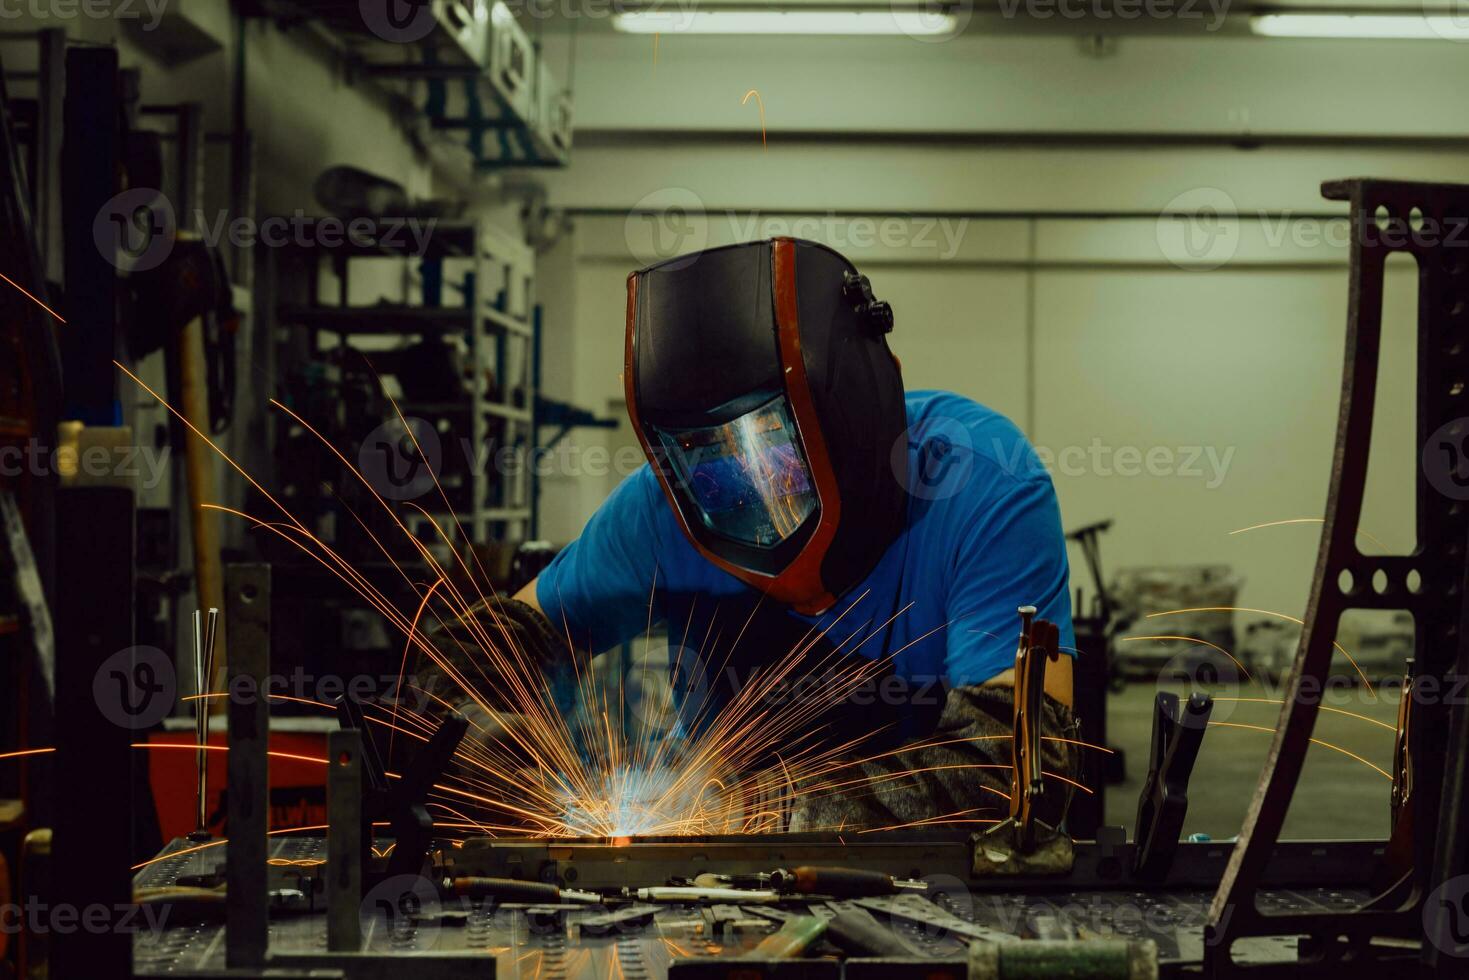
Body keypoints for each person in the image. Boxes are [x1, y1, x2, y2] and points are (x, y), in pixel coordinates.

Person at [433, 237, 1078, 832]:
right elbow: (495, 645)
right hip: (722, 892)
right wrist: (476, 743)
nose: (753, 500)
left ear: (854, 420)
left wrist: (761, 812)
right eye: (713, 469)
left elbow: (1019, 774)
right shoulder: (669, 507)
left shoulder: (982, 482)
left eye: (777, 461)